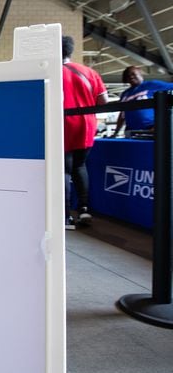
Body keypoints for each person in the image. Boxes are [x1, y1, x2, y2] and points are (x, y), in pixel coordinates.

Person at [62, 35, 108, 230]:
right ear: (71, 51)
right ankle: (84, 209)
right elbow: (104, 100)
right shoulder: (89, 72)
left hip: (63, 125)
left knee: (63, 171)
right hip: (87, 125)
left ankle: (65, 217)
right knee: (80, 167)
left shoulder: (53, 73)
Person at [113, 66, 173, 137]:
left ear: (140, 73)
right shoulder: (125, 94)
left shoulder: (152, 85)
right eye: (128, 76)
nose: (131, 77)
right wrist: (116, 132)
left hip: (150, 129)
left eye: (133, 74)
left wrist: (158, 126)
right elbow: (122, 115)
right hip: (130, 131)